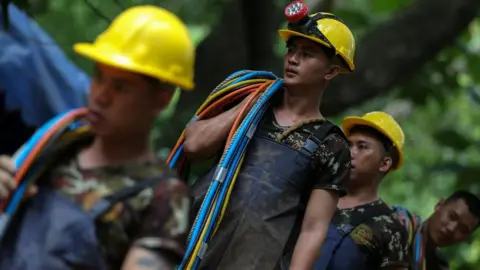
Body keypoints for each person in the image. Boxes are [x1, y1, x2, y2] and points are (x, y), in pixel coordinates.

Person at [0, 5, 194, 270]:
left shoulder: (162, 197)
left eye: (120, 87)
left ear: (161, 100)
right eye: (99, 77)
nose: (100, 95)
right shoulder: (55, 145)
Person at [182, 2, 356, 269]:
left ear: (331, 71)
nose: (293, 59)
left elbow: (313, 229)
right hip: (192, 246)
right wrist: (250, 104)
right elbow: (193, 145)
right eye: (292, 50)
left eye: (307, 54)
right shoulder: (248, 104)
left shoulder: (332, 145)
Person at [314, 111, 410, 270]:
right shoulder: (317, 192)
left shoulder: (390, 228)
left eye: (362, 146)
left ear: (384, 164)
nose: (350, 152)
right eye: (349, 144)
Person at [394, 190, 480, 270]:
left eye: (462, 230)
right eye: (451, 216)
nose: (451, 229)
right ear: (439, 205)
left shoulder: (440, 266)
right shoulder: (396, 224)